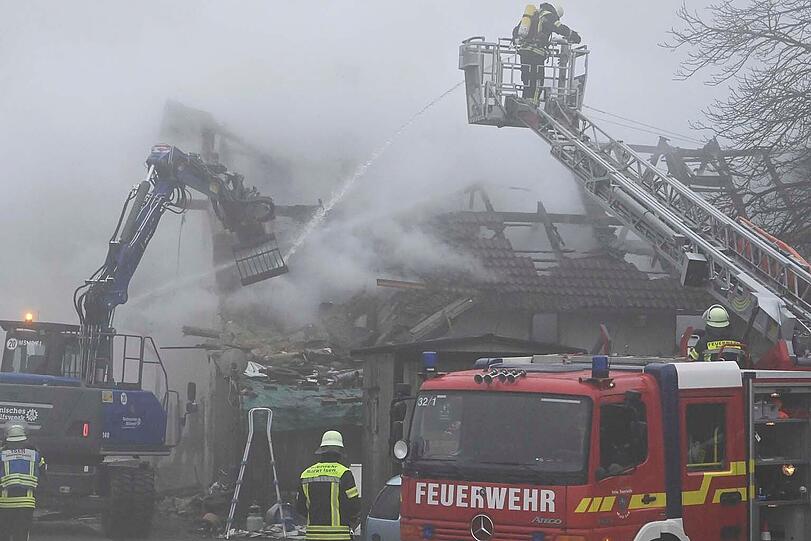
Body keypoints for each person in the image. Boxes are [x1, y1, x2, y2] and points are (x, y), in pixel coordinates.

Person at [296, 430, 360, 541]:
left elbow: (300, 508)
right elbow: (354, 506)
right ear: (340, 452)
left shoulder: (306, 474)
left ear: (321, 451)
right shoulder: (344, 473)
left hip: (313, 536)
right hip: (339, 536)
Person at [513, 2, 582, 103]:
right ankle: (532, 105)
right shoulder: (548, 15)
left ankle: (525, 102)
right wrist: (573, 35)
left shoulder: (532, 14)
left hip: (524, 52)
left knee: (527, 81)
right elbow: (559, 27)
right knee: (537, 83)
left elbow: (515, 31)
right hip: (535, 54)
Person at [0, 424, 46, 541]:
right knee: (21, 534)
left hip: (5, 503)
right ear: (25, 440)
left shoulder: (2, 455)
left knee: (4, 534)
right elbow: (43, 475)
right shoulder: (35, 455)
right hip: (26, 502)